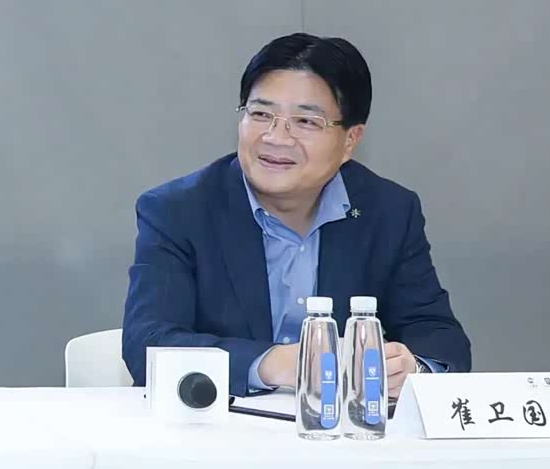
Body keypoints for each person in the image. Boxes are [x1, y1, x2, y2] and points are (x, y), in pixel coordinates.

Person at [122, 33, 471, 398]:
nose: (276, 138)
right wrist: (275, 363)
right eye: (261, 114)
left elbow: (439, 336)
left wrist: (412, 368)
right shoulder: (178, 211)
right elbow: (148, 344)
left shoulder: (388, 212)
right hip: (216, 425)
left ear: (351, 140)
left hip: (339, 427)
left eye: (305, 121)